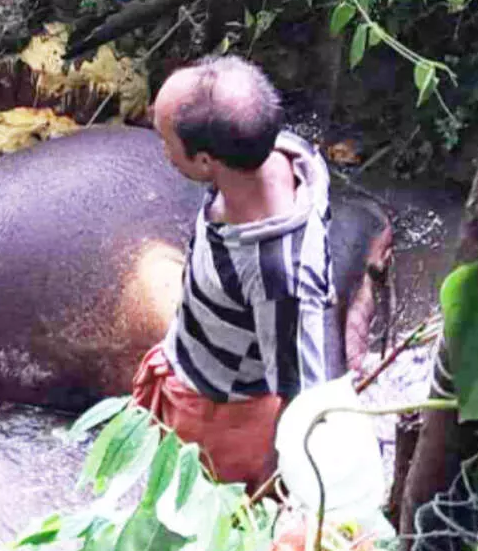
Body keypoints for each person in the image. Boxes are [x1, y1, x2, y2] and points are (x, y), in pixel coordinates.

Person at [132, 55, 338, 490]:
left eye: (166, 141)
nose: (163, 153)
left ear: (206, 162)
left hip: (220, 418)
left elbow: (304, 390)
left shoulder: (276, 272)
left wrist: (271, 485)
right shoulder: (285, 154)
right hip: (194, 361)